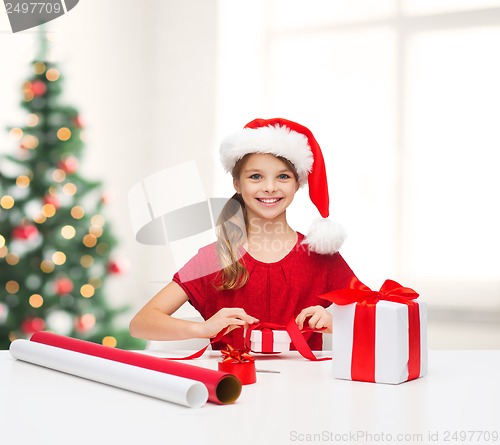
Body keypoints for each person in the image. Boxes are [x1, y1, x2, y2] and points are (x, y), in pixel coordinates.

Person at [129, 118, 357, 351]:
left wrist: (337, 323)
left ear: (297, 184)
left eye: (283, 176)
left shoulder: (320, 256)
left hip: (305, 385)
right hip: (233, 385)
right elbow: (141, 323)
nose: (270, 187)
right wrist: (202, 329)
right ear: (237, 183)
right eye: (256, 176)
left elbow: (380, 316)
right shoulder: (214, 258)